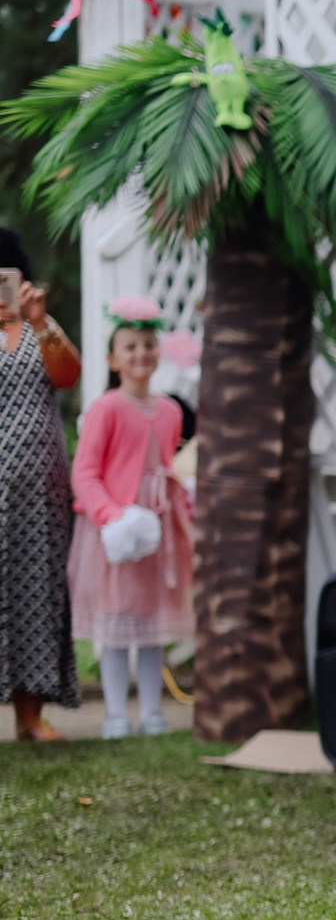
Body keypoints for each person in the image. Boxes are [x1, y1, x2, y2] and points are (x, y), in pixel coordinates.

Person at [69, 297, 195, 738]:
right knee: (119, 623)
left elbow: (169, 467)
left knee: (153, 623)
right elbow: (84, 471)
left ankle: (153, 712)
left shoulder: (170, 411)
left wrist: (184, 505)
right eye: (130, 347)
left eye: (148, 344)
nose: (141, 354)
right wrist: (110, 515)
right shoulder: (107, 408)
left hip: (158, 526)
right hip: (119, 530)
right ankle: (117, 714)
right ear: (113, 358)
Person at [0, 227, 83, 741]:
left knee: (35, 596)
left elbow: (69, 375)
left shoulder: (40, 328)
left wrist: (38, 321)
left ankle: (29, 716)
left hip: (39, 496)